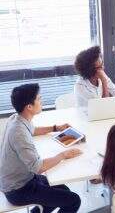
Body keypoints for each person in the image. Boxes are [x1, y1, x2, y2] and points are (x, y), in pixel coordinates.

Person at [0, 83, 82, 213]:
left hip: (20, 179)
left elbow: (33, 130)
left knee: (64, 190)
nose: (41, 100)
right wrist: (62, 155)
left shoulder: (16, 118)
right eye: (39, 99)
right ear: (29, 107)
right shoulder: (19, 133)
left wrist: (56, 128)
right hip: (18, 189)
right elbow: (39, 168)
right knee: (74, 200)